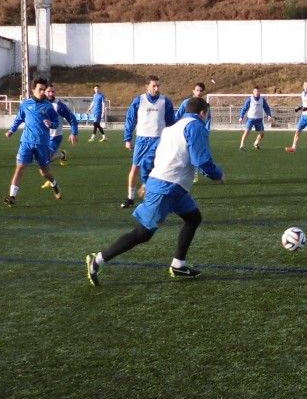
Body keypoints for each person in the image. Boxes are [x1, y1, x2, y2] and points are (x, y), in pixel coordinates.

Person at [85, 97, 224, 286]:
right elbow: (201, 161)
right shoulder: (196, 126)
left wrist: (147, 180)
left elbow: (149, 157)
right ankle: (98, 259)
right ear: (203, 113)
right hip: (167, 187)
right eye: (207, 114)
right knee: (143, 233)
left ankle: (178, 264)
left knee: (193, 218)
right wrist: (218, 175)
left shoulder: (170, 129)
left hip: (175, 188)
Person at [4, 78, 63, 206]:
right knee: (20, 167)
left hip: (42, 143)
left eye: (44, 89)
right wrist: (11, 130)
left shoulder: (48, 106)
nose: (42, 92)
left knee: (44, 172)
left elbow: (57, 123)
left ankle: (54, 183)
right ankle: (12, 196)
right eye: (40, 89)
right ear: (33, 89)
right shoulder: (25, 104)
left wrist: (51, 124)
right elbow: (19, 119)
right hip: (26, 142)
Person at [121, 75, 177, 208]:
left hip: (159, 140)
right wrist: (127, 138)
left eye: (158, 86)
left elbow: (171, 123)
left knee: (159, 169)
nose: (156, 88)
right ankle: (130, 197)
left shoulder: (165, 102)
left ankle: (155, 196)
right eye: (154, 86)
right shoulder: (138, 100)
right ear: (147, 87)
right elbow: (130, 119)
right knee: (135, 168)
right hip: (142, 140)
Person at [44, 85, 79, 172]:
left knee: (46, 158)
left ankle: (62, 155)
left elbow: (72, 119)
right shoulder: (39, 104)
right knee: (37, 157)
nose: (51, 94)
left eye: (53, 91)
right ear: (44, 92)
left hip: (55, 136)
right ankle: (61, 155)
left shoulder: (59, 105)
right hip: (42, 136)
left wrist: (73, 133)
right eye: (49, 91)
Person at [286, 80, 307, 152]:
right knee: (297, 131)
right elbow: (304, 105)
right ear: (303, 86)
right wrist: (299, 108)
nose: (306, 86)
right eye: (305, 85)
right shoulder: (302, 93)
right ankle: (293, 147)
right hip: (303, 116)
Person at [238, 86, 273, 150]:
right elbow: (244, 108)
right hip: (251, 119)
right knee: (246, 132)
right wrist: (241, 117)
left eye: (258, 91)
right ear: (253, 92)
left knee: (262, 134)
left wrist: (269, 115)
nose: (257, 92)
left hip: (259, 119)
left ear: (260, 92)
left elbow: (266, 108)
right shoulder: (250, 99)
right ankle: (242, 145)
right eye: (255, 91)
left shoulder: (262, 99)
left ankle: (256, 143)